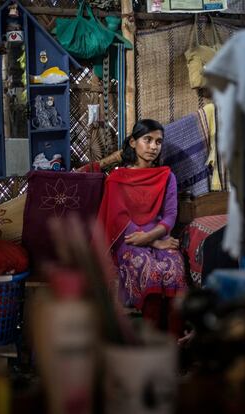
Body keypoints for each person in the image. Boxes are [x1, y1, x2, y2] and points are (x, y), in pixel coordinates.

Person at [96, 119, 187, 335]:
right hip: (128, 240)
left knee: (175, 269)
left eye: (158, 142)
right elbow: (119, 221)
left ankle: (175, 346)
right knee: (150, 271)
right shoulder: (117, 179)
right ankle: (151, 343)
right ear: (133, 142)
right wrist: (154, 241)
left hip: (158, 236)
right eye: (148, 140)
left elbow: (170, 215)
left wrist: (156, 239)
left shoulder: (167, 177)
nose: (154, 146)